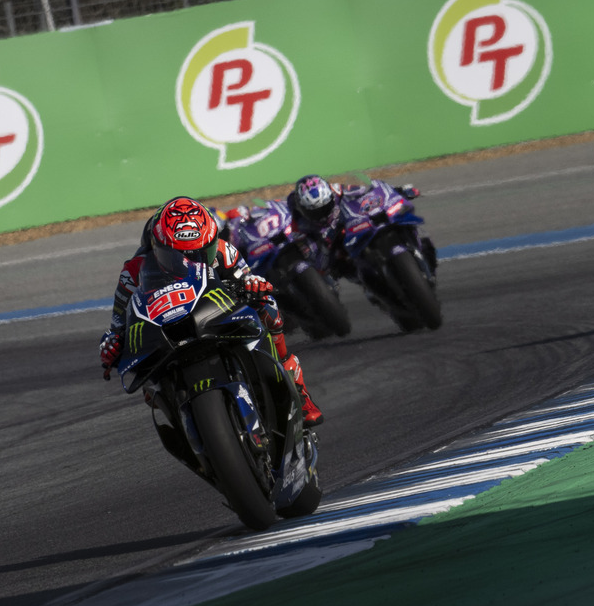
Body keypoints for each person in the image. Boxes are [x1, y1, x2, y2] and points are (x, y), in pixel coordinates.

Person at [99, 196, 324, 427]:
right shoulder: (133, 272)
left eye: (201, 252)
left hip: (214, 313)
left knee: (267, 305)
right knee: (149, 392)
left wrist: (253, 284)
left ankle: (297, 387)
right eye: (181, 255)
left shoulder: (224, 251)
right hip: (165, 329)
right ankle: (180, 425)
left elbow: (246, 278)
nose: (192, 261)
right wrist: (112, 344)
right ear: (159, 249)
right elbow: (118, 324)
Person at [285, 174, 428, 278]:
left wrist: (398, 191)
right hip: (341, 249)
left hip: (358, 225)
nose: (321, 214)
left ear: (330, 196)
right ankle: (367, 280)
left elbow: (367, 190)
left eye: (324, 208)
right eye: (316, 212)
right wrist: (324, 247)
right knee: (334, 267)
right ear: (303, 210)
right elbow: (319, 266)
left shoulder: (337, 191)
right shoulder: (300, 223)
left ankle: (415, 247)